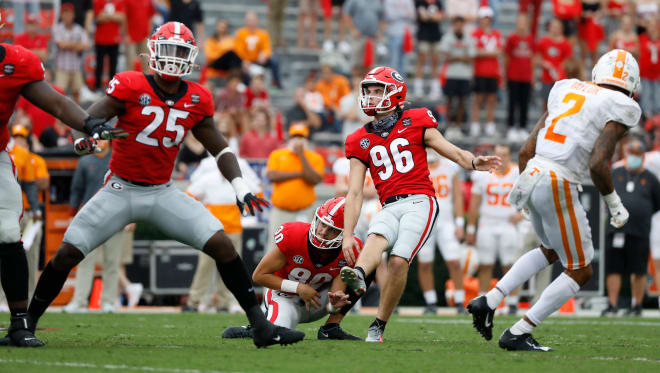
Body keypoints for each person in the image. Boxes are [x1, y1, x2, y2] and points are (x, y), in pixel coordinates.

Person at [23, 22, 304, 348]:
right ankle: (27, 321)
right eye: (167, 50)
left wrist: (240, 186)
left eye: (179, 52)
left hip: (161, 190)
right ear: (152, 52)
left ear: (191, 58)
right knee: (68, 251)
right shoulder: (129, 85)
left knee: (223, 246)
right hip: (121, 188)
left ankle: (260, 326)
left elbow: (221, 148)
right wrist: (90, 135)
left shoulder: (198, 98)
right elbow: (90, 118)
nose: (172, 59)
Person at [468, 49, 642, 351]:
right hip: (558, 179)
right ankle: (520, 331)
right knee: (581, 269)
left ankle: (490, 299)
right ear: (631, 84)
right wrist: (615, 204)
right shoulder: (621, 105)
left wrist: (526, 192)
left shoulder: (567, 87)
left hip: (533, 172)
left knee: (550, 250)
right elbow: (598, 164)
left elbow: (524, 151)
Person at [339, 66, 501, 343]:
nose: (371, 96)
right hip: (388, 205)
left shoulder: (417, 120)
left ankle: (378, 324)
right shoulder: (358, 139)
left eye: (378, 90)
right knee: (375, 239)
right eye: (368, 91)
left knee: (399, 262)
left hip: (420, 201)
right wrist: (346, 234)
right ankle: (357, 276)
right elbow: (354, 194)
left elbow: (453, 151)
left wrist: (474, 162)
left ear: (395, 92)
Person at [0, 18, 126, 346]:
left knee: (8, 233)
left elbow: (55, 102)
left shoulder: (17, 62)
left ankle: (18, 323)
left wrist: (89, 123)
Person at [222, 197, 367, 340]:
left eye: (332, 229)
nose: (322, 231)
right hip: (284, 295)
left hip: (317, 300)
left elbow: (334, 298)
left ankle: (331, 328)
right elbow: (259, 275)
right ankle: (257, 329)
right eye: (322, 224)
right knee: (277, 334)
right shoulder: (294, 235)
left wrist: (335, 306)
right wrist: (299, 287)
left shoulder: (350, 249)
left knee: (363, 269)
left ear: (344, 233)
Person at [184, 151, 262, 313]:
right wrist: (200, 214)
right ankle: (195, 301)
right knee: (205, 266)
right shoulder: (208, 179)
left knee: (230, 268)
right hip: (211, 230)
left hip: (232, 229)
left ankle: (225, 303)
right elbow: (189, 195)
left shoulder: (239, 181)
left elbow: (257, 193)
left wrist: (246, 213)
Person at [63, 140, 130, 313]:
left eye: (103, 138)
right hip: (90, 216)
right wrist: (72, 215)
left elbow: (130, 188)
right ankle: (79, 301)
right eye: (97, 138)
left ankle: (108, 301)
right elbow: (76, 190)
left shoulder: (120, 159)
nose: (100, 141)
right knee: (85, 260)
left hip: (115, 215)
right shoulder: (85, 161)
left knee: (112, 261)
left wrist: (131, 216)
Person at [602, 139, 660, 316]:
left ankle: (636, 305)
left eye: (637, 154)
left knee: (639, 269)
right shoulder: (616, 173)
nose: (634, 158)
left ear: (643, 157)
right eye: (631, 153)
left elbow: (657, 203)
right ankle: (613, 305)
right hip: (616, 228)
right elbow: (606, 194)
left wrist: (641, 212)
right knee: (613, 268)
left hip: (640, 230)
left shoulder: (650, 178)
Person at [466, 144, 523, 315]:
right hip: (487, 223)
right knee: (485, 264)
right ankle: (483, 300)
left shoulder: (518, 172)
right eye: (498, 155)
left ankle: (512, 302)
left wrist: (522, 214)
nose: (501, 159)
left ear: (510, 157)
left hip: (508, 223)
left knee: (510, 265)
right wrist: (470, 228)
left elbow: (530, 195)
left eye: (504, 155)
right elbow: (474, 203)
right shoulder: (482, 174)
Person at [416, 149, 465, 314]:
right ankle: (431, 302)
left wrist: (460, 222)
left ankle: (459, 301)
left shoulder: (450, 166)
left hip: (446, 221)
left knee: (455, 262)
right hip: (424, 221)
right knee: (424, 263)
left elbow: (457, 196)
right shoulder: (415, 165)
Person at [265, 124, 324, 251]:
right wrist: (299, 174)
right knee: (274, 247)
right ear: (289, 139)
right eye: (295, 137)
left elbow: (314, 179)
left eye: (301, 137)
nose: (297, 140)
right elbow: (272, 176)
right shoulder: (277, 154)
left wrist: (301, 155)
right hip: (280, 211)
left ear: (307, 140)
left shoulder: (314, 157)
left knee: (303, 247)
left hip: (304, 211)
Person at [440, 16, 476, 141]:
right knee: (449, 101)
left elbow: (470, 58)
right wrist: (461, 57)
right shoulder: (447, 38)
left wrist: (455, 57)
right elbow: (446, 57)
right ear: (453, 25)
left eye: (461, 24)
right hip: (451, 74)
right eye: (457, 24)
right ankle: (450, 126)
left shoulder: (469, 39)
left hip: (464, 75)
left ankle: (458, 127)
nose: (459, 27)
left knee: (462, 101)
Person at [470, 6, 501, 138]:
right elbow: (474, 52)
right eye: (483, 18)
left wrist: (484, 52)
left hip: (493, 72)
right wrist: (489, 53)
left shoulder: (496, 33)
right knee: (478, 99)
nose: (485, 21)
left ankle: (489, 126)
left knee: (491, 100)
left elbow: (498, 51)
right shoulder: (475, 33)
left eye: (487, 18)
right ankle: (475, 125)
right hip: (479, 72)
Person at [504, 14, 534, 142]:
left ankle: (522, 127)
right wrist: (506, 74)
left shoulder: (531, 39)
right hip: (513, 76)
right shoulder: (512, 38)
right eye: (519, 22)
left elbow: (533, 58)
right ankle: (511, 127)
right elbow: (506, 57)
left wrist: (532, 76)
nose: (522, 24)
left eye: (524, 22)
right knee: (512, 103)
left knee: (524, 103)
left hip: (526, 77)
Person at [53, 3, 91, 104]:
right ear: (61, 15)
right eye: (65, 13)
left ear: (73, 15)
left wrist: (68, 45)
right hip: (62, 68)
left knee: (77, 95)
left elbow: (86, 45)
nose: (67, 16)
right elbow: (61, 45)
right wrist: (76, 45)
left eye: (69, 13)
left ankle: (77, 119)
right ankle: (58, 120)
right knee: (59, 95)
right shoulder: (57, 28)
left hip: (75, 68)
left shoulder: (78, 29)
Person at [234, 11, 281, 88]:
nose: (251, 22)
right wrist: (244, 60)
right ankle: (246, 86)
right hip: (245, 61)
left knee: (274, 61)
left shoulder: (263, 34)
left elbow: (267, 48)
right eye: (249, 20)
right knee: (237, 63)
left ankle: (276, 83)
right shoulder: (241, 33)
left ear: (257, 21)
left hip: (258, 60)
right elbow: (238, 49)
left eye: (253, 20)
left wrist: (264, 54)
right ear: (246, 21)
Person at [535, 18, 573, 109]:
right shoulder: (543, 41)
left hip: (560, 79)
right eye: (553, 27)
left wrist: (560, 70)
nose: (555, 29)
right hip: (546, 78)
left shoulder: (566, 44)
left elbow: (568, 62)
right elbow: (536, 58)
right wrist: (544, 63)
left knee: (559, 104)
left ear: (561, 29)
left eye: (557, 27)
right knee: (546, 103)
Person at [93, 0, 126, 92]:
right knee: (99, 65)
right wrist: (114, 16)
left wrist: (106, 15)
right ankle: (97, 87)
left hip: (114, 39)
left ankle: (112, 88)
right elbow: (98, 18)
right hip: (100, 39)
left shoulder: (119, 2)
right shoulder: (98, 2)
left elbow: (122, 18)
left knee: (113, 66)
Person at [413, 0, 444, 100]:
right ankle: (418, 88)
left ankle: (435, 89)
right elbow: (423, 17)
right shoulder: (420, 2)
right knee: (421, 60)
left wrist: (429, 16)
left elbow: (439, 17)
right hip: (423, 35)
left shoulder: (438, 2)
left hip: (435, 35)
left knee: (435, 62)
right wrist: (432, 16)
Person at [124, 0, 155, 73]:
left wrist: (149, 32)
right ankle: (129, 80)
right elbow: (124, 17)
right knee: (130, 61)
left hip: (144, 35)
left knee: (146, 61)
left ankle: (147, 80)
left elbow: (151, 16)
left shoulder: (148, 1)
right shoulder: (127, 1)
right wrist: (126, 34)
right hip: (131, 36)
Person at [639, 19, 660, 119]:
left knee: (657, 96)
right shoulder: (642, 38)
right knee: (646, 95)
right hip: (645, 73)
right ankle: (646, 118)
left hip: (657, 74)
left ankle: (657, 117)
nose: (652, 28)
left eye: (654, 26)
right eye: (650, 26)